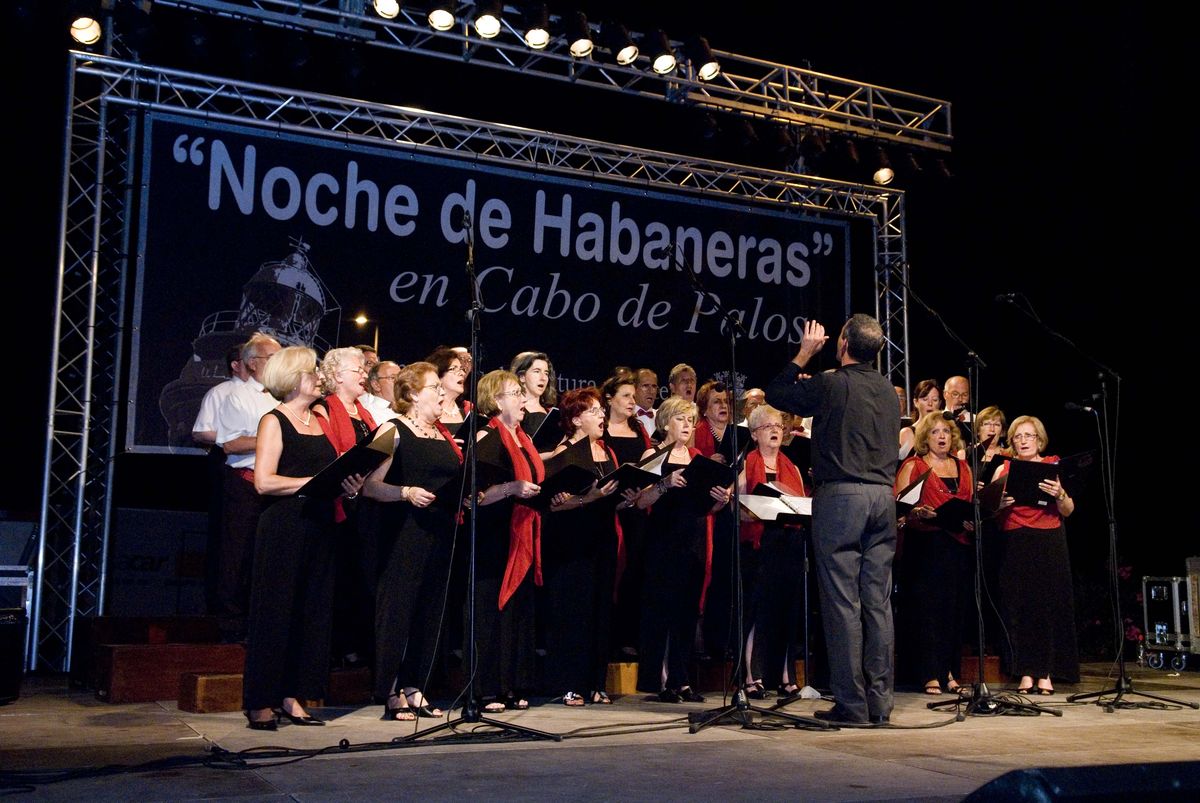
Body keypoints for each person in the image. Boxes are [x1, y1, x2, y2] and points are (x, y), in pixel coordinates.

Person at [766, 315, 900, 725]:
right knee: (877, 603)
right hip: (883, 498)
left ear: (842, 343)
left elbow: (777, 393)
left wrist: (804, 353)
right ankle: (880, 704)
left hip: (843, 496)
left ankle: (852, 705)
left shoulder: (831, 382)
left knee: (843, 602)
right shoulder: (890, 392)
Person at [242, 346, 364, 730]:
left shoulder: (319, 418)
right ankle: (261, 700)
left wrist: (347, 484)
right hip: (284, 526)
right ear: (293, 378)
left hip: (321, 525)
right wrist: (311, 483)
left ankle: (293, 696)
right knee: (275, 613)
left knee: (311, 613)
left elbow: (328, 472)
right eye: (312, 372)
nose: (318, 377)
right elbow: (264, 481)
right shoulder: (274, 420)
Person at [364, 361, 463, 721]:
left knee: (429, 611)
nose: (441, 393)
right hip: (404, 532)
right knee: (399, 610)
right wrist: (406, 491)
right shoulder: (392, 429)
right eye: (434, 386)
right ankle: (390, 690)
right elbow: (370, 486)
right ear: (411, 394)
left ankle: (414, 685)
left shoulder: (443, 434)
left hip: (440, 531)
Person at [635, 396, 731, 704]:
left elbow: (706, 507)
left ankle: (681, 678)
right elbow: (640, 500)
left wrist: (720, 499)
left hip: (694, 538)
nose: (687, 426)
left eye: (690, 420)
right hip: (663, 538)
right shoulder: (653, 453)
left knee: (688, 611)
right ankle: (661, 680)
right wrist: (664, 483)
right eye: (681, 419)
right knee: (662, 609)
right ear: (665, 423)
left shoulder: (697, 455)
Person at [542, 387, 622, 706]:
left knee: (601, 609)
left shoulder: (608, 452)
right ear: (576, 420)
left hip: (603, 536)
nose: (601, 415)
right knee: (572, 613)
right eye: (593, 411)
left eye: (602, 410)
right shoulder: (562, 454)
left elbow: (611, 495)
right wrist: (589, 498)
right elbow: (553, 505)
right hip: (570, 540)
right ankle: (569, 683)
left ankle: (595, 682)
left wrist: (624, 496)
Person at [471, 369, 544, 712]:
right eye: (515, 393)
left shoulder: (522, 438)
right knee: (492, 608)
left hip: (523, 531)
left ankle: (512, 684)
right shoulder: (488, 437)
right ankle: (487, 689)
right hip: (495, 534)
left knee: (518, 611)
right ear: (497, 401)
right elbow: (477, 495)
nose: (523, 399)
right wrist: (513, 488)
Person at [992, 415, 1078, 695]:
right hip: (1016, 537)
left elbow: (1069, 510)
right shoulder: (1004, 468)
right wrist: (999, 503)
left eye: (1029, 436)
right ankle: (1026, 672)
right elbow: (988, 511)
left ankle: (1046, 672)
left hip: (1049, 539)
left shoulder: (1053, 465)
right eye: (1018, 436)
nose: (1023, 441)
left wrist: (1060, 494)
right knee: (1020, 606)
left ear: (1039, 440)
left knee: (1047, 605)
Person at [895, 413, 974, 695]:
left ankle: (949, 671)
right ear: (925, 438)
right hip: (925, 547)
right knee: (927, 611)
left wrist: (971, 519)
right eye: (935, 432)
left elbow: (970, 503)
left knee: (953, 610)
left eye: (946, 432)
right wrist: (916, 512)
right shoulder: (913, 465)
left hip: (957, 547)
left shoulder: (964, 467)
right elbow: (899, 507)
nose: (942, 437)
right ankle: (929, 672)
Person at [737, 404, 808, 699]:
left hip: (788, 545)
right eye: (767, 426)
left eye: (779, 425)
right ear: (754, 434)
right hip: (759, 544)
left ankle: (784, 674)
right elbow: (739, 509)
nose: (775, 430)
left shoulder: (792, 467)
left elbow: (803, 504)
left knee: (787, 610)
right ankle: (752, 675)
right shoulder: (746, 463)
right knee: (757, 611)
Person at [213, 333, 281, 642]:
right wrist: (274, 439)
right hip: (245, 485)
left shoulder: (279, 396)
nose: (280, 364)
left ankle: (259, 625)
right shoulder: (237, 396)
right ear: (252, 363)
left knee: (266, 560)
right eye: (272, 358)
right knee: (238, 556)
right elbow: (230, 443)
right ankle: (231, 627)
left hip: (274, 489)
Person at [602, 372, 654, 659]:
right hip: (610, 508)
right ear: (609, 399)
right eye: (625, 396)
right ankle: (608, 636)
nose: (632, 401)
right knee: (613, 572)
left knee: (635, 571)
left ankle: (628, 636)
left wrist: (642, 491)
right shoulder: (602, 430)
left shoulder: (639, 430)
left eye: (633, 397)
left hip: (637, 508)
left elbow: (649, 465)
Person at [511, 351, 557, 450]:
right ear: (522, 376)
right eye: (537, 371)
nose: (543, 378)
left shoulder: (551, 412)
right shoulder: (514, 411)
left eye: (546, 373)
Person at [426, 346, 470, 426]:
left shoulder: (469, 412)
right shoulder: (428, 415)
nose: (462, 374)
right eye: (453, 369)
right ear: (438, 376)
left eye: (461, 369)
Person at [359, 360, 401, 425]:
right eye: (393, 378)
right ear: (376, 385)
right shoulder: (366, 412)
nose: (400, 382)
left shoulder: (409, 409)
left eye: (401, 378)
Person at [633, 368, 659, 434]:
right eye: (645, 386)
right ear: (634, 389)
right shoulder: (626, 417)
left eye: (654, 386)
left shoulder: (661, 417)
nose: (650, 391)